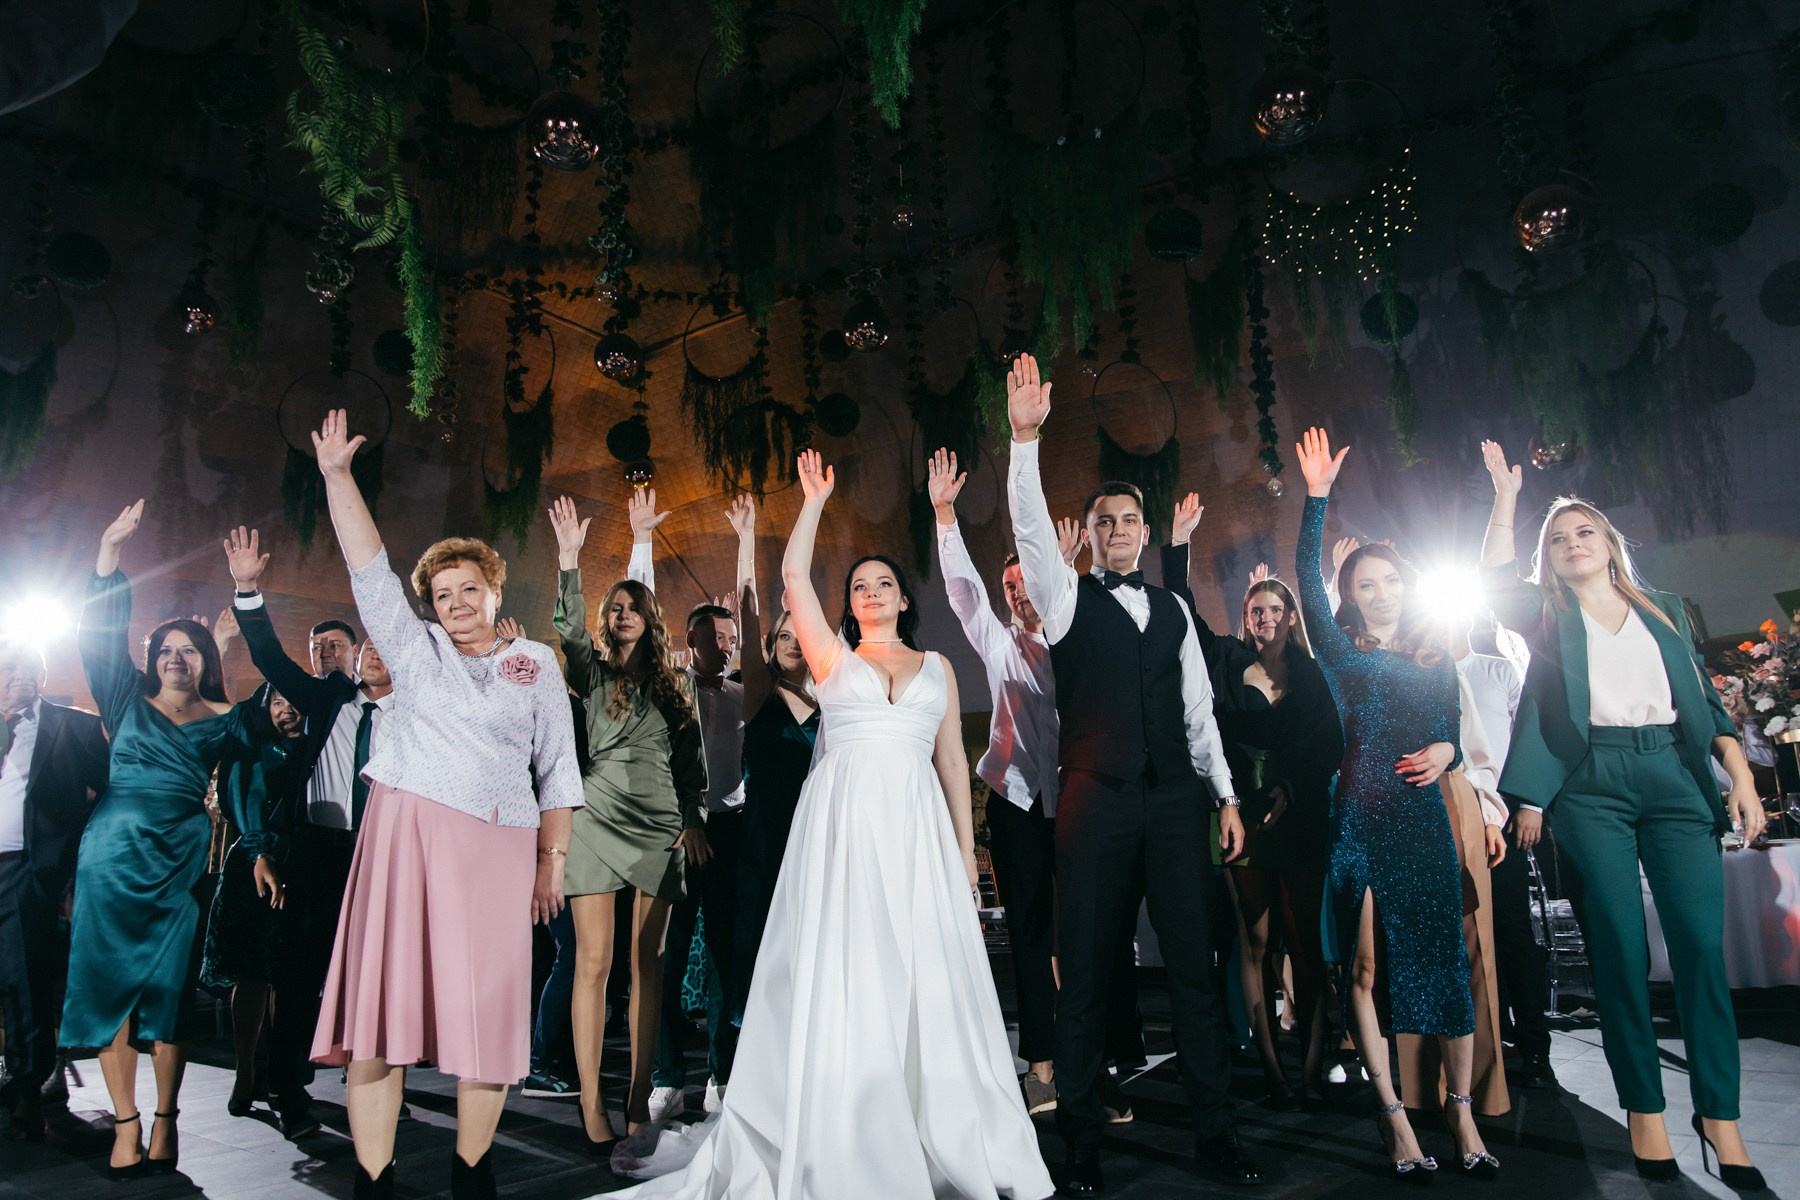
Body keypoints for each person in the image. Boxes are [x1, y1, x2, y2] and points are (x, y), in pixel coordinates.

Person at [604, 448, 1054, 1200]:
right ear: (849, 604)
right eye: (859, 586)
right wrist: (811, 503)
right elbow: (791, 578)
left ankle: (931, 1121)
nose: (871, 592)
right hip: (844, 835)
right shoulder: (833, 659)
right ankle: (847, 1127)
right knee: (853, 970)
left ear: (903, 600)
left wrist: (962, 856)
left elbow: (951, 763)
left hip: (914, 833)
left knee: (922, 973)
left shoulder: (938, 668)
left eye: (883, 584)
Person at [304, 411, 583, 1200]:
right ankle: (374, 1180)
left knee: (486, 1019)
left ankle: (472, 1173)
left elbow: (558, 771)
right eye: (441, 592)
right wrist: (337, 477)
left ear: (495, 591)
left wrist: (551, 863)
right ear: (428, 603)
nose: (456, 602)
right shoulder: (414, 648)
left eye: (470, 589)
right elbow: (369, 568)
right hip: (405, 842)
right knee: (381, 1019)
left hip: (499, 850)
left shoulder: (536, 662)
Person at [1479, 441, 1765, 1189]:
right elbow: (1492, 580)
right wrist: (1507, 498)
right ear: (1549, 559)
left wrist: (1740, 777)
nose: (1573, 543)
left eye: (1585, 532)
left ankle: (1720, 1117)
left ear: (1609, 544)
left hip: (1674, 776)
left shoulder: (1664, 610)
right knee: (1618, 949)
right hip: (1592, 785)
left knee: (1700, 947)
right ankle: (1645, 1111)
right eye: (1558, 538)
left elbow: (1707, 705)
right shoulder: (1546, 614)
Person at [1005, 354, 1256, 1197]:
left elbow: (1198, 713)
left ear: (1145, 533)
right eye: (1104, 520)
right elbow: (1030, 529)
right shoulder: (1065, 599)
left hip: (1177, 803)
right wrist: (1025, 441)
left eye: (1128, 520)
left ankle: (1217, 1133)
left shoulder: (1175, 609)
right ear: (1089, 534)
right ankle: (1080, 1139)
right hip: (1095, 801)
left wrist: (1225, 795)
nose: (1117, 529)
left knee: (1193, 971)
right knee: (1083, 976)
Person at [1291, 427, 1498, 1180]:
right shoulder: (1340, 652)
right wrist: (1316, 499)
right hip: (1358, 820)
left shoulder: (1433, 653)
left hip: (1421, 818)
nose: (1380, 593)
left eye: (1390, 582)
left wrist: (1447, 752)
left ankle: (1461, 1111)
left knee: (1443, 962)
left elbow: (1449, 727)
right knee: (1365, 968)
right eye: (1365, 585)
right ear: (1350, 595)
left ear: (1407, 588)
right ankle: (1392, 1115)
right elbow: (1306, 582)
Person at [63, 499, 284, 1179]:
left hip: (180, 859)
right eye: (166, 649)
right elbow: (100, 636)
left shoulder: (229, 716)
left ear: (205, 658)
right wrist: (109, 554)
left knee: (167, 991)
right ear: (151, 658)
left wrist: (260, 848)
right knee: (108, 989)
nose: (176, 657)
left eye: (189, 649)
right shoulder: (122, 698)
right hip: (109, 856)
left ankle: (166, 1119)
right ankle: (126, 1124)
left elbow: (252, 778)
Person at [928, 448, 1145, 1119]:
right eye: (1011, 584)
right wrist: (944, 517)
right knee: (1029, 932)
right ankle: (1043, 1065)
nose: (1018, 591)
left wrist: (1067, 567)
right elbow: (963, 593)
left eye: (1028, 579)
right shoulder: (998, 643)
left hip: (1079, 800)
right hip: (1016, 800)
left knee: (1089, 932)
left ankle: (1097, 1064)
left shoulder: (1080, 634)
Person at [1159, 498, 1343, 1110]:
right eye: (1255, 609)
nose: (1265, 617)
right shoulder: (1225, 659)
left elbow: (1328, 743)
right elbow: (1182, 612)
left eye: (1275, 608)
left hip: (1300, 814)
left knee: (1306, 945)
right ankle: (1273, 1072)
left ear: (1291, 617)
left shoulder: (1313, 674)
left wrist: (1292, 788)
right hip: (1241, 815)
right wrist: (1178, 546)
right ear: (1245, 618)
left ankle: (1312, 1067)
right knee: (1255, 943)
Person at [546, 495, 709, 1154]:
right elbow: (567, 628)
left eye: (632, 605)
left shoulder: (676, 683)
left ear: (649, 617)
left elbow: (693, 766)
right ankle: (591, 1099)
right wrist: (568, 557)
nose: (621, 613)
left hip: (660, 827)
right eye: (613, 607)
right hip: (596, 817)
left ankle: (638, 1097)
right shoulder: (589, 672)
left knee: (650, 963)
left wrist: (693, 820)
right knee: (593, 961)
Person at [223, 526, 395, 1140]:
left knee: (375, 975)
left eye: (381, 647)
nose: (372, 653)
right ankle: (286, 1088)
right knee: (298, 975)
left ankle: (376, 1084)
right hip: (320, 853)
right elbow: (270, 659)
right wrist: (248, 590)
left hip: (384, 856)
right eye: (365, 646)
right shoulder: (326, 702)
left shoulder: (415, 717)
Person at [624, 493, 748, 1124]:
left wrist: (747, 543)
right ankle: (666, 1076)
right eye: (713, 636)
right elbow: (637, 623)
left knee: (727, 958)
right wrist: (641, 539)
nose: (724, 644)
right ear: (689, 639)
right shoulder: (667, 688)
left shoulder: (745, 693)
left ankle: (722, 1076)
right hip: (674, 835)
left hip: (731, 833)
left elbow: (754, 614)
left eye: (730, 636)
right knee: (665, 958)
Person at [0, 637, 108, 1141]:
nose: (21, 674)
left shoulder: (74, 727)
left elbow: (110, 791)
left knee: (24, 981)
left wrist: (69, 858)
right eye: (10, 667)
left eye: (31, 666)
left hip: (27, 872)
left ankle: (28, 1088)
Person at [725, 497, 820, 1034]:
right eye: (783, 635)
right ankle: (756, 1040)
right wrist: (747, 539)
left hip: (813, 834)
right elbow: (748, 612)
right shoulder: (760, 693)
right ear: (770, 645)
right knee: (761, 932)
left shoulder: (830, 703)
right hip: (765, 836)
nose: (792, 642)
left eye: (799, 634)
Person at [200, 683, 306, 1118]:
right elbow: (242, 798)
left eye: (293, 702)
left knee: (290, 974)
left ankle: (281, 1073)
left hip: (305, 860)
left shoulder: (318, 747)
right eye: (278, 702)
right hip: (253, 861)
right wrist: (261, 851)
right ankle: (245, 1071)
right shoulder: (254, 746)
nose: (286, 710)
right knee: (251, 971)